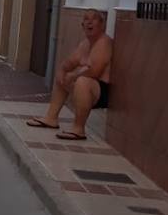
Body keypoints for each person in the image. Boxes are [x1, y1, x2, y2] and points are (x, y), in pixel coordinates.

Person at [26, 9, 112, 141]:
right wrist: (62, 71)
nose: (89, 22)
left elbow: (95, 71)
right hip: (88, 87)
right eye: (86, 19)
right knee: (62, 76)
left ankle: (79, 129)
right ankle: (51, 118)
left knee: (82, 81)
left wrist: (74, 75)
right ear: (82, 25)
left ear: (102, 24)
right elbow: (68, 63)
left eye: (94, 19)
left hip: (104, 91)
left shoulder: (104, 42)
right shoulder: (85, 44)